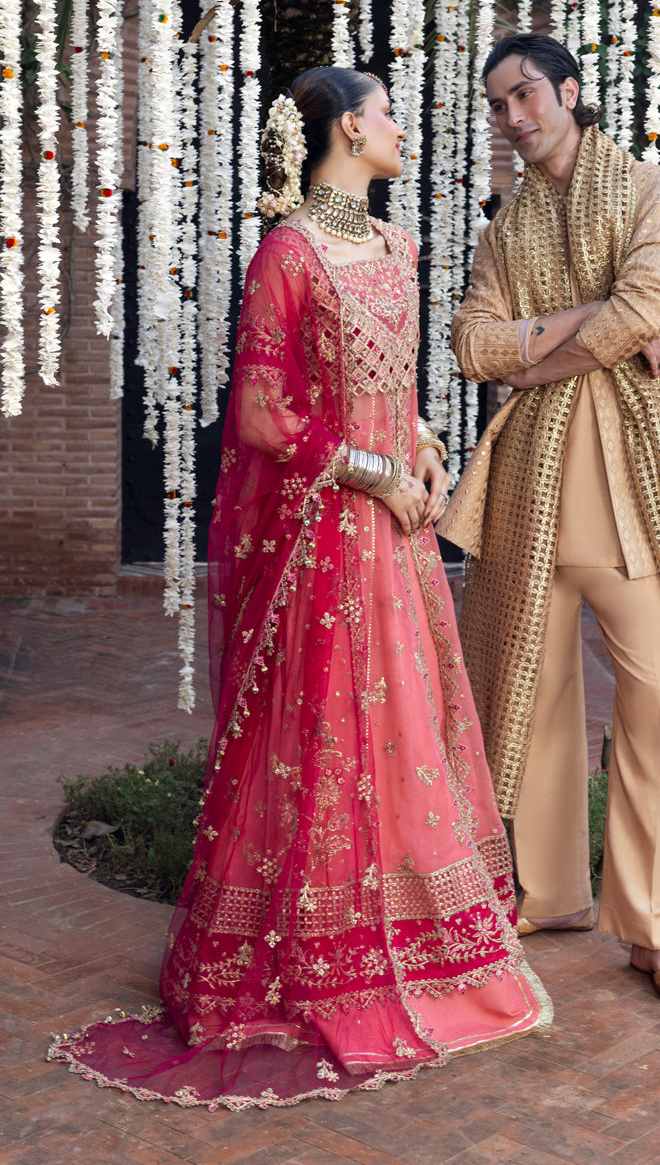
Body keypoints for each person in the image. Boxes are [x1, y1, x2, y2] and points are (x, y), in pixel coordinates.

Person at [48, 67, 550, 1110]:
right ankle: (316, 960)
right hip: (329, 536)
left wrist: (422, 450)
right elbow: (261, 412)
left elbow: (393, 389)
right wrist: (372, 472)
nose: (400, 127)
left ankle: (422, 944)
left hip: (399, 534)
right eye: (386, 113)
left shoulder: (397, 246)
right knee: (326, 732)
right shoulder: (288, 252)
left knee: (404, 731)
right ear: (348, 131)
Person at [438, 35, 660, 1012]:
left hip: (636, 494)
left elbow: (646, 303)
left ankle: (655, 930)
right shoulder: (505, 228)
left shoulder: (657, 192)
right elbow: (472, 345)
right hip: (528, 495)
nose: (512, 117)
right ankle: (549, 897)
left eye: (525, 94)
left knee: (654, 699)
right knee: (533, 696)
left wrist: (538, 358)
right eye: (497, 103)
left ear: (569, 91)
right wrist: (598, 318)